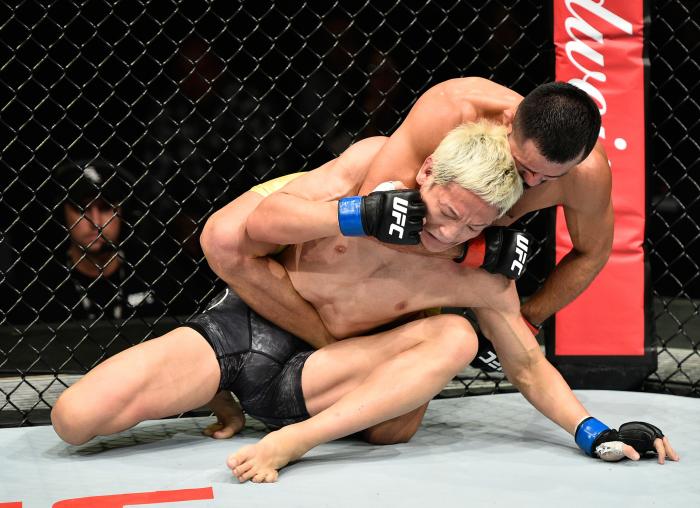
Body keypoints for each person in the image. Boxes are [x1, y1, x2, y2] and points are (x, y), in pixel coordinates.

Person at [51, 123, 677, 484]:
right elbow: (263, 220)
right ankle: (217, 393)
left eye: (475, 226)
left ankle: (293, 441)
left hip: (328, 378)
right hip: (248, 327)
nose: (452, 236)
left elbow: (528, 365)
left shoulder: (478, 270)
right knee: (75, 419)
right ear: (428, 171)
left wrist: (596, 434)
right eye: (450, 213)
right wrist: (356, 216)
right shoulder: (368, 170)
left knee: (457, 339)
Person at [202, 77, 612, 355]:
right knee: (226, 237)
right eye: (524, 167)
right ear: (508, 122)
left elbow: (592, 252)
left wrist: (530, 317)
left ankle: (339, 357)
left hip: (435, 246)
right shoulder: (454, 107)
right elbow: (379, 214)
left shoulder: (587, 176)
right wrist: (471, 254)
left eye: (549, 177)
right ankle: (330, 346)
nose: (533, 182)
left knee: (390, 430)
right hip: (373, 216)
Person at [9, 160, 161, 323]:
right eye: (82, 209)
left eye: (105, 207)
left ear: (124, 212)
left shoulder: (155, 274)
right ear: (63, 214)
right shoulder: (36, 290)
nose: (95, 222)